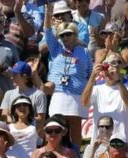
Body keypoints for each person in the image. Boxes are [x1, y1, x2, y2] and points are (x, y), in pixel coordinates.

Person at [43, 3, 93, 146]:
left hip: (77, 94)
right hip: (59, 93)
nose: (65, 37)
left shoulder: (84, 51)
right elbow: (47, 31)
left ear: (74, 35)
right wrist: (48, 13)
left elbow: (90, 73)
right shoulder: (56, 48)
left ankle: (76, 157)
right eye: (62, 35)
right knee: (57, 127)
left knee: (75, 130)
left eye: (68, 34)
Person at [81, 53, 128, 144]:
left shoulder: (127, 86)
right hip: (99, 142)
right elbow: (84, 103)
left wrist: (118, 80)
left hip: (121, 142)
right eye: (111, 63)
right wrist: (92, 77)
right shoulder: (96, 89)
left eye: (119, 63)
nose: (115, 66)